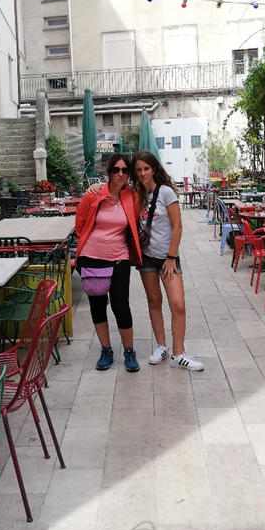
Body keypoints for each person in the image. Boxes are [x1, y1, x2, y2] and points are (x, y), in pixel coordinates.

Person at [134, 151, 203, 371]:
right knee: (154, 301)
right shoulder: (136, 194)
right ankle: (161, 346)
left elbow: (177, 226)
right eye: (138, 170)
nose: (143, 173)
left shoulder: (166, 192)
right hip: (146, 257)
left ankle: (178, 354)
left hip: (167, 258)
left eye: (146, 168)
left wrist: (171, 257)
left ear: (154, 169)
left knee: (178, 304)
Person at [74, 154, 143, 373]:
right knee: (97, 305)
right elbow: (80, 225)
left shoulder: (132, 196)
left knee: (121, 305)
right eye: (116, 170)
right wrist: (95, 245)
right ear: (109, 172)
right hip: (92, 257)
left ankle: (129, 350)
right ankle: (106, 350)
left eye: (125, 170)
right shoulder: (93, 194)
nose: (121, 174)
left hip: (120, 257)